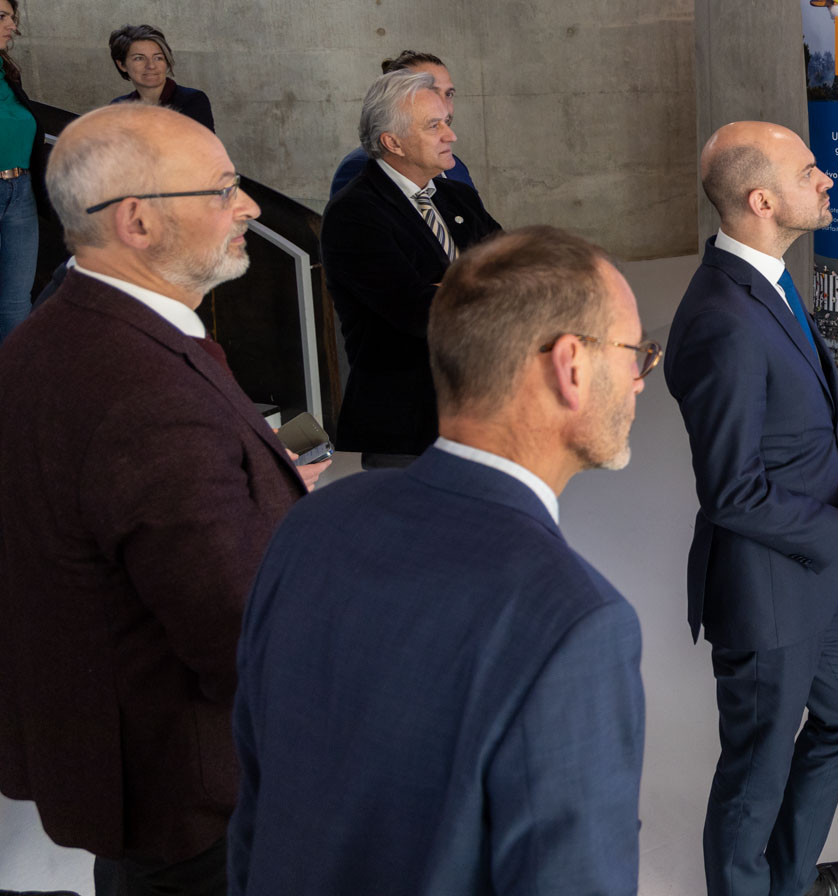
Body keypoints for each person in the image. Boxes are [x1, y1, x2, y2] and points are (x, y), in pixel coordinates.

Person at [230, 226, 648, 895]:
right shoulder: (577, 623)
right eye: (635, 353)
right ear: (571, 366)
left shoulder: (314, 523)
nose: (639, 381)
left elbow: (254, 806)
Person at [0, 104, 319, 896]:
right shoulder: (144, 391)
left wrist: (251, 482)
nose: (249, 206)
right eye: (222, 189)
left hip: (136, 787)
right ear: (137, 221)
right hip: (201, 804)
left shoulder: (57, 333)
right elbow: (242, 635)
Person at [666, 121, 838, 896]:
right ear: (761, 200)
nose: (826, 179)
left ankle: (788, 878)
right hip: (765, 590)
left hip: (810, 572)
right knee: (756, 770)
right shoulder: (722, 321)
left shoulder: (765, 278)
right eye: (809, 171)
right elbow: (731, 491)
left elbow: (821, 397)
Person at [322, 68, 500, 465]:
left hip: (481, 415)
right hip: (408, 430)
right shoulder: (354, 213)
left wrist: (449, 289)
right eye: (434, 126)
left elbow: (520, 272)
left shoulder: (458, 198)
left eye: (447, 122)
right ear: (393, 142)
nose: (451, 135)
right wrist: (485, 289)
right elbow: (420, 313)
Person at [329, 50, 476, 198]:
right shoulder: (360, 167)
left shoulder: (455, 167)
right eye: (428, 93)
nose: (442, 106)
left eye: (448, 94)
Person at [0, 0, 39, 341]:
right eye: (2, 17)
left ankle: (14, 372)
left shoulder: (9, 72)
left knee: (16, 301)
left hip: (20, 191)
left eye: (12, 17)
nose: (12, 25)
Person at [106, 24, 216, 131]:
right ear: (122, 65)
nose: (151, 66)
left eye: (158, 58)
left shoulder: (192, 100)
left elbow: (203, 143)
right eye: (139, 58)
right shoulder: (118, 106)